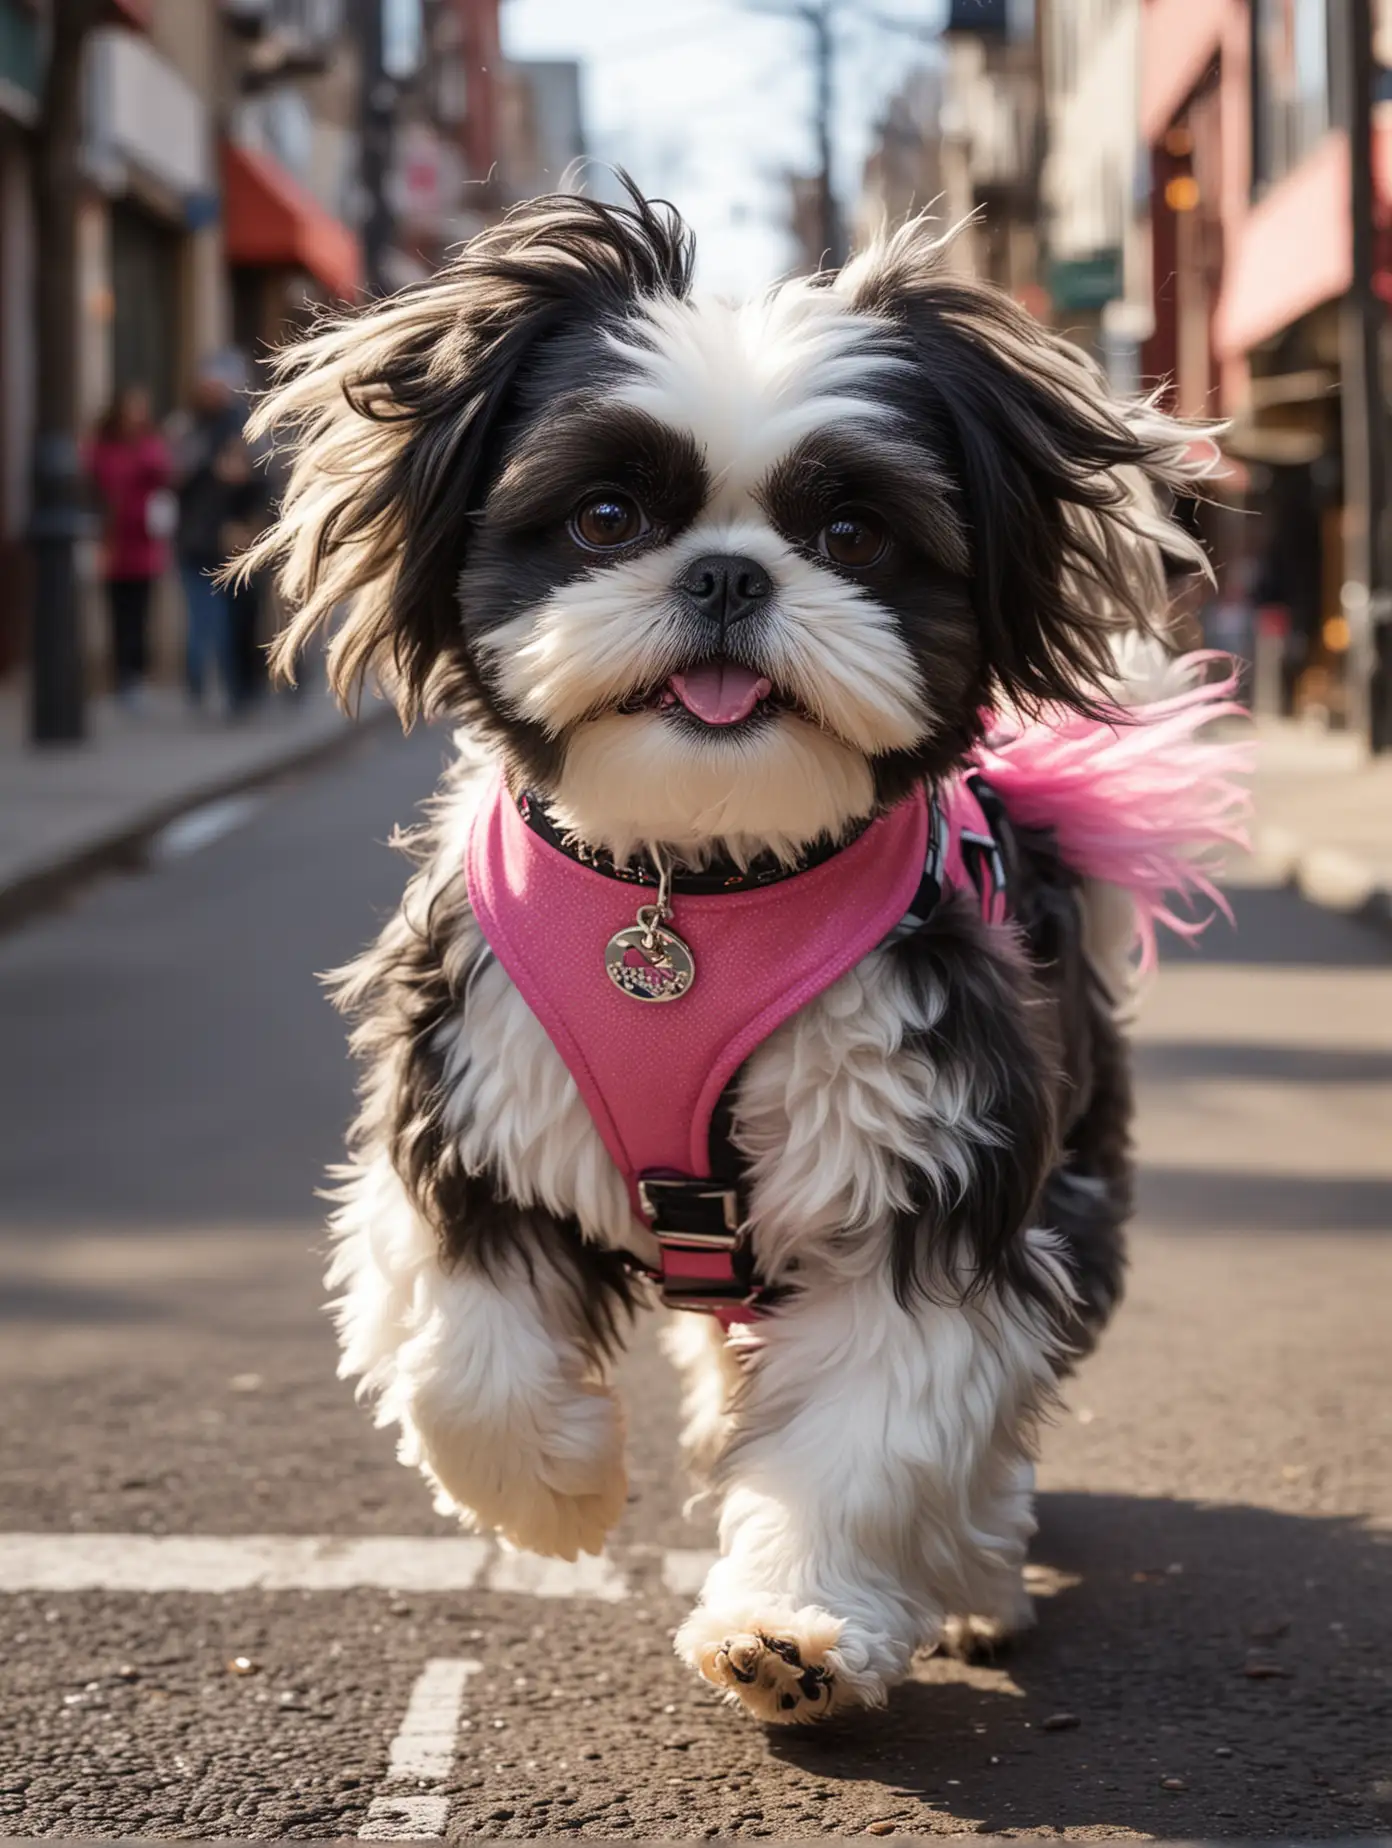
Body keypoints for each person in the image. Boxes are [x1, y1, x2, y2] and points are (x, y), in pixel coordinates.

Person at [172, 355, 253, 715]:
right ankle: (201, 686)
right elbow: (175, 475)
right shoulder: (188, 427)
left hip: (233, 540)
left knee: (230, 621)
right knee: (205, 620)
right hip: (195, 541)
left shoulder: (242, 426)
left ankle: (235, 689)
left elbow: (260, 478)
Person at [86, 385, 173, 704]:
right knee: (116, 611)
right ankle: (120, 674)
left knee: (140, 611)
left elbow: (164, 472)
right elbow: (92, 481)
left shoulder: (151, 444)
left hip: (144, 542)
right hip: (112, 543)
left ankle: (136, 674)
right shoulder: (102, 447)